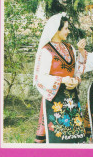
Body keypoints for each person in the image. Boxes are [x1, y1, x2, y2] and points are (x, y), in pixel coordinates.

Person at [33, 12, 86, 143]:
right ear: (57, 29)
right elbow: (40, 77)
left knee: (75, 135)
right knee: (57, 136)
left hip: (71, 97)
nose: (68, 31)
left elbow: (76, 71)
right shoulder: (46, 51)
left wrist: (75, 81)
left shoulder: (70, 48)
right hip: (54, 97)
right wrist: (62, 80)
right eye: (66, 28)